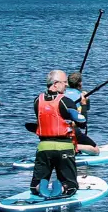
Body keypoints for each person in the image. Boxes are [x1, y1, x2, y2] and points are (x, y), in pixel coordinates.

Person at [31, 70, 87, 198]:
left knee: (34, 187)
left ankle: (41, 186)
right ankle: (62, 187)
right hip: (64, 148)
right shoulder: (65, 101)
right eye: (64, 82)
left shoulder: (37, 101)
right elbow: (82, 123)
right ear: (55, 84)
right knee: (72, 187)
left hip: (43, 148)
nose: (66, 85)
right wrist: (83, 106)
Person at [63, 72, 99, 154]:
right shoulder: (82, 95)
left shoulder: (61, 93)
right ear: (80, 83)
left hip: (59, 127)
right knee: (96, 150)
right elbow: (85, 114)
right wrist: (86, 101)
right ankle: (74, 146)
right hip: (73, 129)